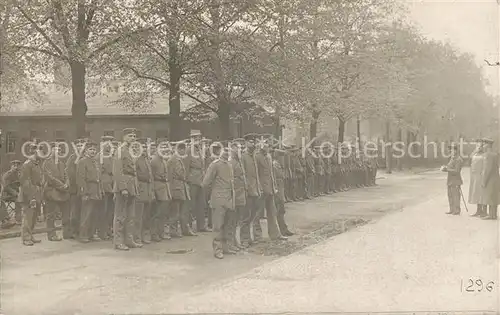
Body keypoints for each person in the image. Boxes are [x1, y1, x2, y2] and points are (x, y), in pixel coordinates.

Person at [202, 146, 236, 259]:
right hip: (218, 198)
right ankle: (217, 249)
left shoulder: (230, 165)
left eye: (228, 151)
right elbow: (206, 182)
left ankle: (226, 247)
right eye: (225, 150)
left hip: (229, 199)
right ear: (220, 152)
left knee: (227, 224)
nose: (227, 153)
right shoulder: (215, 164)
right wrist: (212, 195)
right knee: (218, 225)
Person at [113, 128, 141, 250]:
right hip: (123, 187)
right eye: (130, 136)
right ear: (124, 137)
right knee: (120, 215)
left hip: (132, 186)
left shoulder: (130, 151)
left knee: (131, 215)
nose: (133, 138)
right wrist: (123, 188)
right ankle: (118, 241)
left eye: (134, 136)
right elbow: (117, 171)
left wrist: (134, 187)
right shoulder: (120, 151)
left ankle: (129, 240)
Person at [255, 139, 287, 241]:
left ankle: (275, 234)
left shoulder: (268, 157)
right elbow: (255, 174)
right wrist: (258, 187)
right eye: (265, 146)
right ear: (261, 146)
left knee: (272, 212)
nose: (267, 148)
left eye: (268, 146)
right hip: (261, 189)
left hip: (270, 188)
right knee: (257, 214)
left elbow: (271, 174)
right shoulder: (256, 157)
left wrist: (274, 187)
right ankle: (257, 236)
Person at [42, 142, 70, 241]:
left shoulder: (62, 163)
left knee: (66, 213)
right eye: (55, 149)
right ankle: (51, 234)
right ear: (51, 150)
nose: (58, 151)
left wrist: (67, 183)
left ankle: (67, 233)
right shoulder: (47, 163)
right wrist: (62, 186)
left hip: (63, 192)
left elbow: (66, 175)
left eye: (59, 150)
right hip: (52, 191)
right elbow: (50, 178)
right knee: (51, 215)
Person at [76, 141, 103, 242]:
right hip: (88, 191)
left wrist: (100, 191)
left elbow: (99, 178)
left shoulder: (96, 162)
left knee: (94, 214)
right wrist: (84, 193)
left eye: (94, 150)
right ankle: (83, 235)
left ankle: (92, 233)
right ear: (86, 150)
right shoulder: (82, 162)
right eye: (90, 149)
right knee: (86, 214)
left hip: (96, 191)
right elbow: (80, 179)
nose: (93, 151)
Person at [167, 140, 194, 237]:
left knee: (183, 211)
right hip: (175, 188)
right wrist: (170, 190)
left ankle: (184, 230)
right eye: (183, 150)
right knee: (175, 212)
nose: (184, 152)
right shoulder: (172, 160)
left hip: (181, 187)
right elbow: (170, 176)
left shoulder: (179, 159)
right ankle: (173, 231)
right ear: (179, 149)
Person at [19, 143, 44, 246]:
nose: (42, 153)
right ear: (34, 151)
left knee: (33, 217)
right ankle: (26, 238)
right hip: (29, 194)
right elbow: (25, 182)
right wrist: (31, 197)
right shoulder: (27, 164)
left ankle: (30, 235)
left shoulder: (36, 164)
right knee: (28, 217)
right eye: (40, 150)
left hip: (37, 193)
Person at [240, 133, 262, 247]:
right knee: (245, 217)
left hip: (255, 190)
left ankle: (249, 238)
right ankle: (244, 239)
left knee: (253, 215)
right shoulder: (243, 156)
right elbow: (243, 174)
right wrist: (246, 188)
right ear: (245, 143)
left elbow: (256, 174)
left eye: (254, 142)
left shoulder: (253, 155)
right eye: (250, 142)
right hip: (247, 190)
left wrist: (258, 188)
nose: (253, 144)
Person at [185, 131, 209, 232]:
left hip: (200, 179)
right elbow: (186, 166)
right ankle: (188, 226)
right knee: (190, 204)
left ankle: (201, 226)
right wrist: (187, 179)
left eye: (199, 138)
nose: (197, 140)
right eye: (195, 138)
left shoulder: (199, 150)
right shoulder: (188, 150)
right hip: (192, 179)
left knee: (201, 204)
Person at [150, 139, 173, 241]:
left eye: (166, 147)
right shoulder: (154, 160)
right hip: (157, 188)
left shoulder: (163, 160)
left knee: (163, 213)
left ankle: (161, 233)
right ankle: (154, 234)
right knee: (157, 213)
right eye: (162, 147)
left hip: (164, 189)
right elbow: (151, 177)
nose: (164, 149)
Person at [66, 138, 88, 239]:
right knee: (74, 211)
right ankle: (73, 231)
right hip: (75, 189)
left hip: (84, 189)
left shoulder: (86, 158)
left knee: (83, 211)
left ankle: (81, 231)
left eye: (81, 145)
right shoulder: (72, 158)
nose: (80, 147)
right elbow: (70, 174)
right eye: (78, 146)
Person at [134, 138, 155, 244]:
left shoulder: (146, 159)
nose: (145, 149)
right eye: (143, 147)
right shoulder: (136, 159)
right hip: (140, 189)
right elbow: (135, 175)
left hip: (147, 190)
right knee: (138, 216)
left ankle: (143, 235)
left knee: (146, 216)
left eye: (147, 147)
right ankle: (137, 237)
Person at [228, 139, 247, 251]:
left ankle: (235, 241)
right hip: (234, 193)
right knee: (232, 220)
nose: (240, 149)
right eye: (239, 148)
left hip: (240, 193)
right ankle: (231, 242)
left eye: (241, 148)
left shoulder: (238, 160)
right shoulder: (231, 161)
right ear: (233, 148)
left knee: (237, 220)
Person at [272, 148, 293, 236]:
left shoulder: (278, 165)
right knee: (279, 210)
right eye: (282, 157)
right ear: (278, 157)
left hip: (281, 189)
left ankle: (283, 229)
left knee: (281, 210)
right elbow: (274, 179)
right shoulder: (274, 165)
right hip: (277, 191)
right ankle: (281, 230)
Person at [100, 136, 116, 240]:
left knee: (110, 211)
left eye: (110, 142)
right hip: (104, 186)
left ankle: (108, 230)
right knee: (103, 211)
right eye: (107, 142)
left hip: (112, 186)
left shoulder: (112, 156)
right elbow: (99, 173)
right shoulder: (100, 156)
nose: (109, 144)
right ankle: (102, 232)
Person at [440, 143, 463, 215]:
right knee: (450, 195)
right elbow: (450, 167)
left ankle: (457, 210)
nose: (450, 151)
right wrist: (445, 167)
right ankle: (451, 209)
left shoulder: (458, 159)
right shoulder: (452, 158)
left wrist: (447, 169)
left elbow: (457, 171)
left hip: (456, 180)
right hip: (450, 180)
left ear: (456, 150)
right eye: (450, 149)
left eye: (452, 149)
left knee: (456, 195)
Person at [479, 138, 498, 220]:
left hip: (490, 179)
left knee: (489, 196)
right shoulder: (495, 154)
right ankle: (494, 214)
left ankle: (491, 215)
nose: (483, 145)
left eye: (484, 144)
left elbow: (487, 169)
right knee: (494, 196)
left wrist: (484, 181)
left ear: (488, 145)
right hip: (496, 179)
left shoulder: (487, 155)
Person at [468, 139, 487, 217]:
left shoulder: (484, 155)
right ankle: (478, 210)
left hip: (481, 176)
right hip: (474, 176)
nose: (479, 147)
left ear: (483, 147)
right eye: (477, 146)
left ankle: (483, 211)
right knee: (476, 193)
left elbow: (485, 166)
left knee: (482, 193)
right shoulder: (474, 154)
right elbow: (470, 159)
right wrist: (474, 151)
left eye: (480, 146)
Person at [1, 160, 22, 228]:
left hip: (18, 193)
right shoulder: (7, 174)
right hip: (8, 195)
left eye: (18, 165)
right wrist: (15, 193)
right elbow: (6, 187)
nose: (16, 167)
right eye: (14, 165)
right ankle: (18, 219)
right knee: (18, 199)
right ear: (11, 166)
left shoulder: (20, 174)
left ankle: (31, 217)